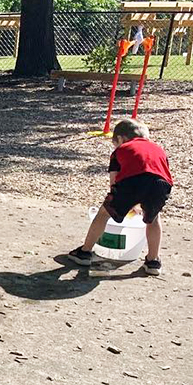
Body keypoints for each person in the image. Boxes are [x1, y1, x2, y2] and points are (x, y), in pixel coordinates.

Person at [69, 117, 172, 276]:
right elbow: (160, 173)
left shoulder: (120, 150)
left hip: (131, 183)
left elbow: (115, 181)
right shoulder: (158, 149)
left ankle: (85, 252)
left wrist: (123, 202)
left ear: (120, 139)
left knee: (104, 213)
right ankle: (153, 261)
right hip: (161, 185)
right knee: (153, 217)